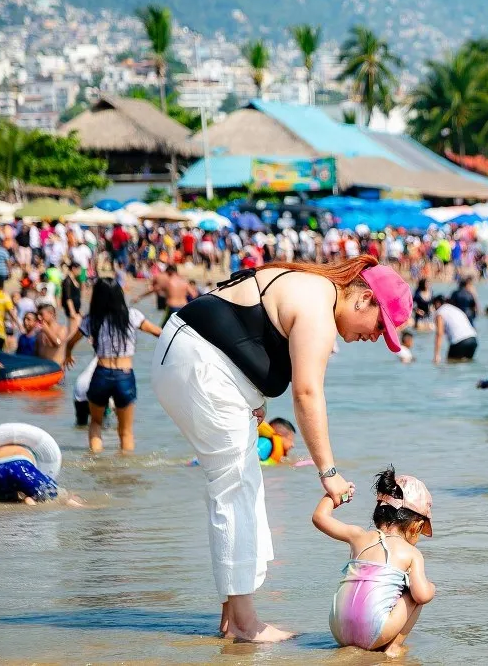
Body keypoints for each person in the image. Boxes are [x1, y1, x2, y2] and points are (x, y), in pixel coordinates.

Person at [151, 255, 411, 643]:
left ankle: (232, 615)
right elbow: (307, 394)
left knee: (243, 488)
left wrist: (249, 394)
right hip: (199, 365)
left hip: (191, 357)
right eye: (379, 326)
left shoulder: (312, 286)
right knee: (235, 489)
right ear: (363, 300)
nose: (375, 337)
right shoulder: (318, 309)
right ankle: (243, 623)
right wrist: (329, 472)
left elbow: (243, 331)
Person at [313, 468, 436, 658]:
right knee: (414, 594)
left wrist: (335, 495)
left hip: (338, 629)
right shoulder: (412, 553)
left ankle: (370, 639)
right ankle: (393, 648)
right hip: (374, 631)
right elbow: (421, 596)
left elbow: (319, 518)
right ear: (416, 526)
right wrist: (432, 588)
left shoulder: (357, 536)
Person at [64, 278, 162, 453]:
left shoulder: (91, 319)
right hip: (124, 375)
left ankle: (95, 465)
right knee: (126, 432)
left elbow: (71, 341)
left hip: (101, 373)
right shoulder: (132, 315)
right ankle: (124, 472)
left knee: (95, 423)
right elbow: (159, 333)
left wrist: (68, 355)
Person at [431, 295, 478, 364]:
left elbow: (439, 333)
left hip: (459, 342)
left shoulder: (440, 312)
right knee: (466, 364)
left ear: (437, 303)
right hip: (473, 340)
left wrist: (436, 355)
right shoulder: (454, 309)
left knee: (450, 365)